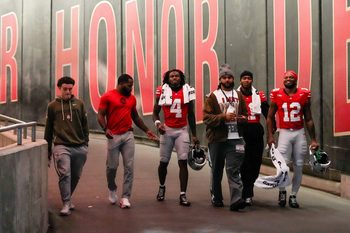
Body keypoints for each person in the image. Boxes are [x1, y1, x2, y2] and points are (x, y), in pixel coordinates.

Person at [97, 74, 158, 209]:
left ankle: (125, 197)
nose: (131, 88)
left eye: (132, 85)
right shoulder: (107, 96)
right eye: (129, 85)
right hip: (113, 136)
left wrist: (147, 130)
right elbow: (100, 114)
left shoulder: (132, 98)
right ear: (121, 83)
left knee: (129, 167)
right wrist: (105, 128)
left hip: (128, 135)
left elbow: (135, 117)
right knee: (112, 167)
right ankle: (112, 188)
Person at [266, 70, 319, 208]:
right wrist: (270, 136)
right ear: (283, 80)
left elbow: (308, 119)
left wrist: (313, 139)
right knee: (282, 165)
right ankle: (282, 191)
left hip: (299, 133)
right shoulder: (276, 93)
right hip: (284, 132)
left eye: (291, 77)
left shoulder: (304, 94)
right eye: (286, 77)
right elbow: (270, 117)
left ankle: (294, 195)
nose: (288, 79)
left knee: (299, 166)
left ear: (296, 80)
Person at [203, 64, 248, 211]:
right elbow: (206, 118)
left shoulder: (239, 95)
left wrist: (242, 118)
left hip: (236, 138)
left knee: (233, 169)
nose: (227, 80)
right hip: (218, 138)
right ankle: (216, 196)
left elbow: (246, 115)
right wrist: (223, 117)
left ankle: (236, 200)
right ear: (220, 79)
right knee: (217, 169)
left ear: (233, 79)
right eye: (224, 77)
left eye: (229, 77)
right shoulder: (212, 96)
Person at [153, 69, 199, 207]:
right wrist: (158, 124)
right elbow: (155, 113)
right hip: (167, 130)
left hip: (182, 130)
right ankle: (162, 187)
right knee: (163, 162)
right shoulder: (162, 91)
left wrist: (195, 135)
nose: (174, 78)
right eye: (171, 76)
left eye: (177, 76)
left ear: (181, 78)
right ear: (167, 78)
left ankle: (183, 194)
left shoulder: (187, 90)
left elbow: (191, 114)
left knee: (183, 162)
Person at [44, 76, 89, 216]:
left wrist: (86, 144)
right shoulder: (52, 106)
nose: (68, 91)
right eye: (65, 89)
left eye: (70, 89)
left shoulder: (79, 104)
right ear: (59, 89)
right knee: (65, 174)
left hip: (79, 146)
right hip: (61, 146)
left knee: (75, 176)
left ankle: (68, 199)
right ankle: (66, 204)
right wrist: (48, 152)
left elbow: (85, 125)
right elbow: (48, 129)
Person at [237, 70, 269, 206]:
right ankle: (247, 193)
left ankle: (248, 188)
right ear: (240, 81)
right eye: (244, 78)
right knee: (244, 163)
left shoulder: (259, 95)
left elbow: (268, 115)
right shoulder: (234, 95)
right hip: (241, 131)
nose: (246, 80)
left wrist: (271, 134)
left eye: (249, 78)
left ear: (252, 81)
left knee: (255, 163)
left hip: (255, 130)